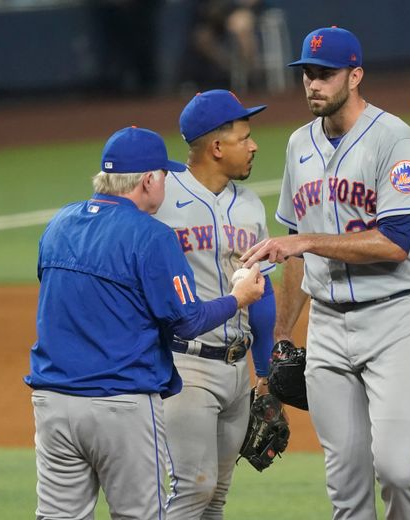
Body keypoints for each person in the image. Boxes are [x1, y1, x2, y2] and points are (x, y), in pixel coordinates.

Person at [241, 26, 410, 520]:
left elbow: (394, 243)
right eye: (307, 73)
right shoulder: (298, 144)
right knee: (345, 481)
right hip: (327, 325)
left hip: (394, 320)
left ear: (355, 75)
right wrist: (282, 335)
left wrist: (306, 240)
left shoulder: (394, 139)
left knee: (396, 469)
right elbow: (294, 255)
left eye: (325, 75)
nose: (313, 84)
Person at [24, 126, 265, 520]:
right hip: (121, 403)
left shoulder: (59, 224)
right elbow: (187, 321)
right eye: (165, 177)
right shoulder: (152, 236)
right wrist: (237, 299)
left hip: (53, 402)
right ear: (149, 180)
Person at [153, 89, 274, 519]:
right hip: (186, 364)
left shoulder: (251, 205)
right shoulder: (161, 198)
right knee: (192, 490)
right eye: (245, 137)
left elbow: (263, 293)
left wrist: (267, 375)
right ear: (217, 147)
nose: (255, 145)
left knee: (216, 496)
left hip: (237, 370)